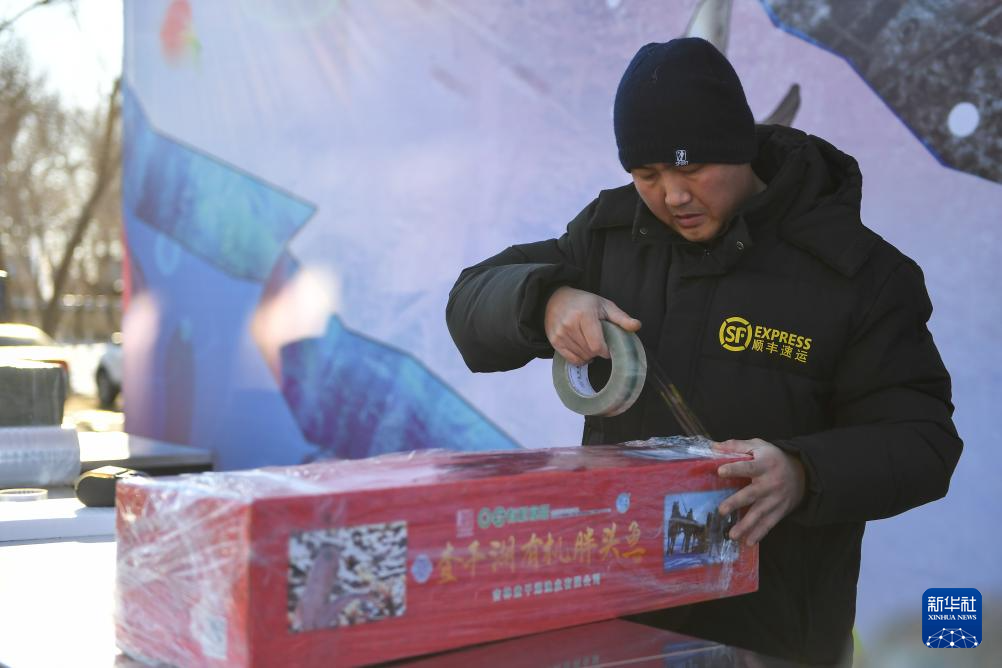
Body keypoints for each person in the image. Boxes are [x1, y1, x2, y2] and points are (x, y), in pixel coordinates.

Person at [445, 38, 962, 665]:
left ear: (738, 146)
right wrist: (546, 300)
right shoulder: (612, 236)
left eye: (691, 170)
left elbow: (923, 442)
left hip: (771, 639)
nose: (673, 197)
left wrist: (803, 472)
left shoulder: (859, 276)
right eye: (648, 175)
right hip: (619, 626)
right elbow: (469, 301)